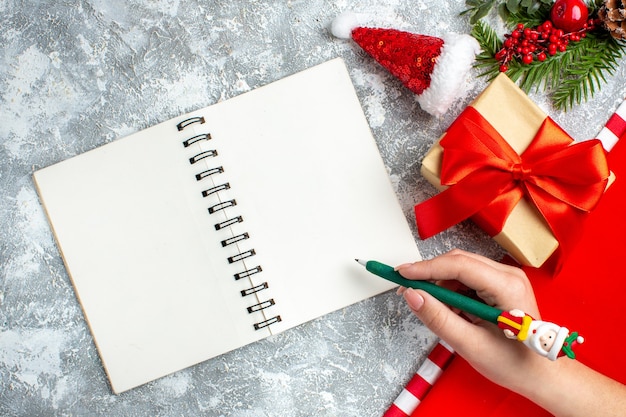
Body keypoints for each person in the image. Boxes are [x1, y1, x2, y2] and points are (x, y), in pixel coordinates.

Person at [395, 249, 626, 417]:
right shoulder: (533, 328)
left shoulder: (534, 342)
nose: (545, 339)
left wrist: (546, 376)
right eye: (549, 337)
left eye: (547, 343)